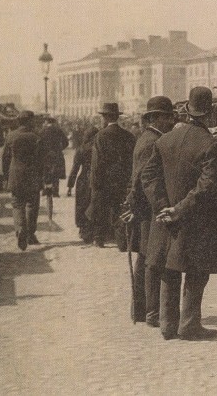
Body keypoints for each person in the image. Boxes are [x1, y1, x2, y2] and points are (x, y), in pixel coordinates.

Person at [142, 87, 217, 340]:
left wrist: (163, 207)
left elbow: (148, 176)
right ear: (210, 114)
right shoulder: (209, 144)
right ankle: (189, 324)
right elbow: (207, 185)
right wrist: (179, 210)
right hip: (196, 218)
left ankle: (168, 324)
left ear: (187, 110)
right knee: (197, 270)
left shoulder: (165, 140)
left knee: (170, 266)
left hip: (166, 218)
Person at [120, 96, 176, 327]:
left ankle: (141, 310)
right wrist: (137, 206)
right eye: (167, 117)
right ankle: (148, 311)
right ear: (155, 118)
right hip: (147, 210)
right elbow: (142, 179)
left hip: (144, 208)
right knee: (151, 260)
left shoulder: (149, 138)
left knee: (146, 259)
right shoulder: (152, 142)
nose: (171, 121)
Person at [89, 103, 135, 248]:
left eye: (102, 116)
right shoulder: (128, 136)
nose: (101, 119)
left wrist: (95, 183)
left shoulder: (100, 136)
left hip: (104, 180)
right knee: (119, 209)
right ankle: (121, 240)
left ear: (107, 117)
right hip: (122, 179)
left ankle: (99, 238)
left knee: (101, 209)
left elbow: (97, 163)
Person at [2, 111, 43, 250]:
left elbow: (5, 158)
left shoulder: (10, 136)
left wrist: (5, 176)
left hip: (15, 176)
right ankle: (30, 234)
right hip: (32, 175)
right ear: (30, 121)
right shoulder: (36, 136)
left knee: (17, 205)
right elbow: (42, 159)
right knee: (32, 205)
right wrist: (43, 177)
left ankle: (20, 229)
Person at [67, 125, 98, 243]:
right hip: (96, 179)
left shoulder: (81, 149)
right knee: (94, 203)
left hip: (83, 179)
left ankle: (83, 230)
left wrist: (70, 185)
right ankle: (94, 230)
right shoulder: (99, 148)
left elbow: (75, 169)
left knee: (82, 204)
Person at [39, 116, 69, 198]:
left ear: (47, 122)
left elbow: (39, 143)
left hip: (46, 155)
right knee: (56, 173)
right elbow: (66, 142)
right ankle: (55, 191)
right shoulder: (58, 130)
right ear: (53, 122)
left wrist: (43, 151)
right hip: (56, 154)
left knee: (46, 172)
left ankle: (45, 190)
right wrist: (59, 149)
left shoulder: (42, 131)